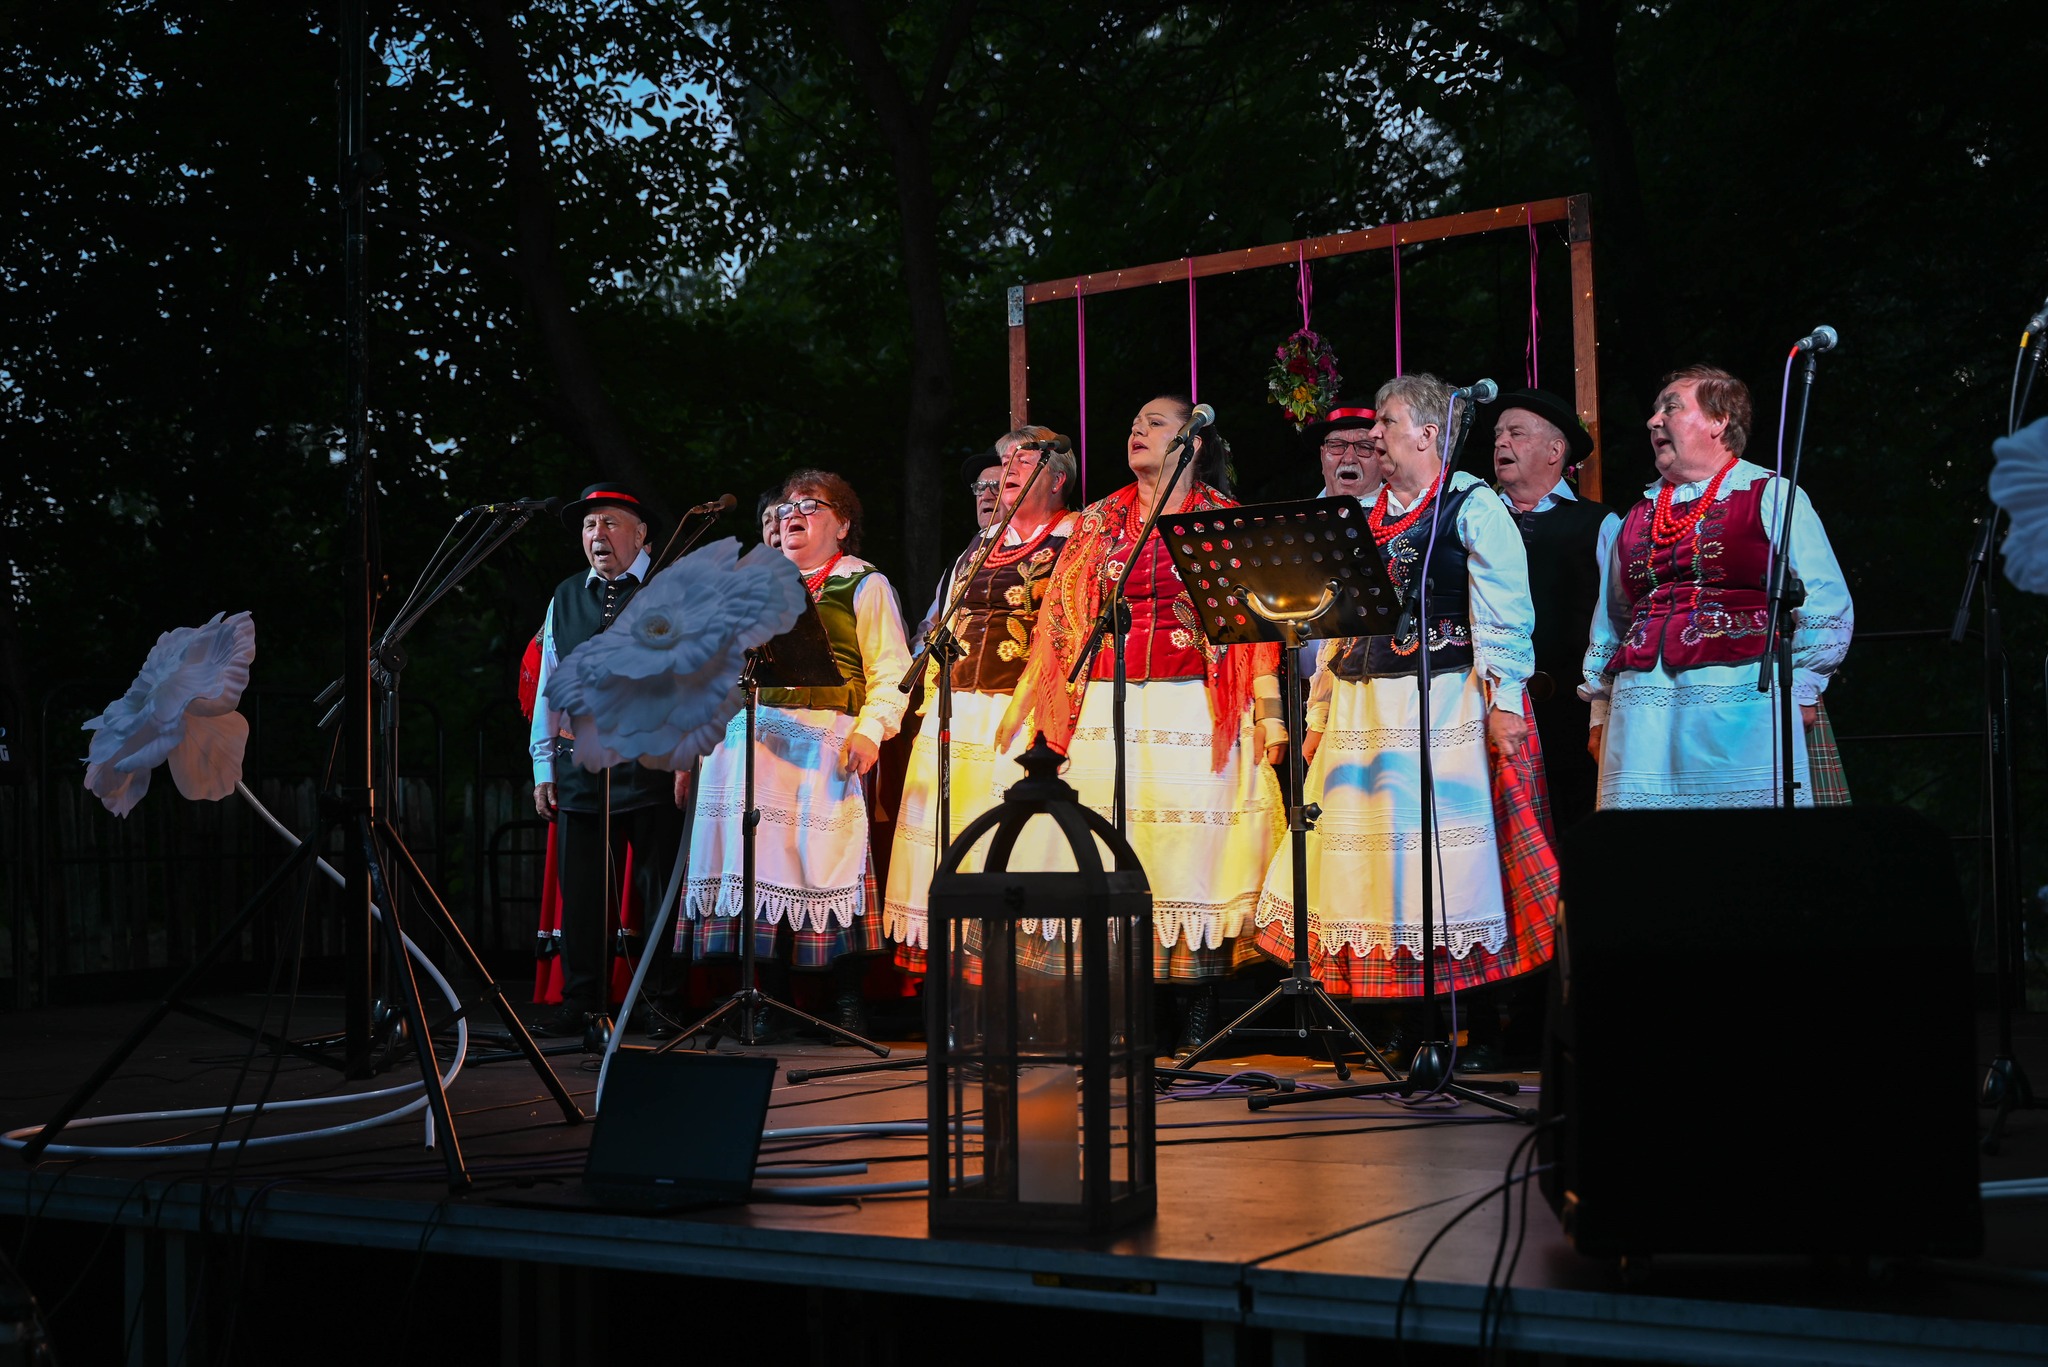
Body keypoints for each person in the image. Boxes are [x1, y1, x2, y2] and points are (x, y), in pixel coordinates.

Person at [1252, 374, 1560, 1060]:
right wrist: (1320, 712)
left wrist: (1505, 703)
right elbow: (1336, 628)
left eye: (1386, 423)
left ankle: (1469, 1025)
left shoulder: (1470, 503)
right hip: (1364, 705)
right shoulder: (1367, 516)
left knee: (1450, 860)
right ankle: (1403, 1026)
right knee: (1380, 863)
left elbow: (1504, 611)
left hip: (1443, 696)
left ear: (1427, 433)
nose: (1375, 436)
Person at [1003, 395, 1287, 1052]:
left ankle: (1195, 1009)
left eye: (1155, 423)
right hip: (1110, 702)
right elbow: (1061, 620)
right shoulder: (1099, 520)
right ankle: (1125, 1016)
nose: (1137, 430)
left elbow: (1254, 631)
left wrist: (1270, 718)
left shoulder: (1221, 519)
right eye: (1133, 423)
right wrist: (1049, 713)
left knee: (1190, 859)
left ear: (1192, 441)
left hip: (1197, 707)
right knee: (1111, 849)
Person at [682, 470, 912, 1034]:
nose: (794, 515)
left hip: (821, 742)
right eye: (787, 507)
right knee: (752, 862)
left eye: (811, 506)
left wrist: (871, 730)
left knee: (823, 864)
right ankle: (767, 1001)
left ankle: (846, 1002)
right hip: (747, 741)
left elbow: (892, 669)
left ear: (842, 525)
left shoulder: (863, 584)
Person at [1583, 366, 1853, 807]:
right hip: (1643, 712)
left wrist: (1804, 687)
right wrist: (1599, 710)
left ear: (1718, 421)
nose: (1653, 421)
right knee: (1645, 835)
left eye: (1671, 408)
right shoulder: (1634, 518)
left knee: (1738, 829)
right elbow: (1611, 622)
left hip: (1742, 700)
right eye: (1655, 411)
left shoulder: (1770, 495)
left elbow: (1825, 598)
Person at [885, 429, 1078, 969]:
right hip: (957, 709)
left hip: (1021, 711)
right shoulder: (981, 543)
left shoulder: (1075, 538)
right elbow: (943, 621)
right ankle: (956, 985)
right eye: (1004, 461)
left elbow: (1071, 629)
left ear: (1056, 479)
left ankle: (1013, 979)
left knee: (1010, 842)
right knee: (949, 838)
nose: (1007, 469)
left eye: (1022, 460)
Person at [526, 483, 689, 1040]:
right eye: (589, 525)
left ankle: (660, 1001)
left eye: (610, 522)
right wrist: (544, 766)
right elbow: (550, 684)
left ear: (641, 535)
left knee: (658, 888)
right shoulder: (566, 595)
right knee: (582, 891)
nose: (597, 534)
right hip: (583, 763)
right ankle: (582, 1000)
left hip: (654, 762)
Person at [1487, 387, 1618, 830]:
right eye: (1498, 434)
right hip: (1492, 711)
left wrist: (1602, 711)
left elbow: (1618, 618)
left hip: (1571, 715)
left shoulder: (1600, 523)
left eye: (1516, 433)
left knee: (1577, 835)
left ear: (1555, 451)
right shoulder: (1476, 519)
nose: (1501, 442)